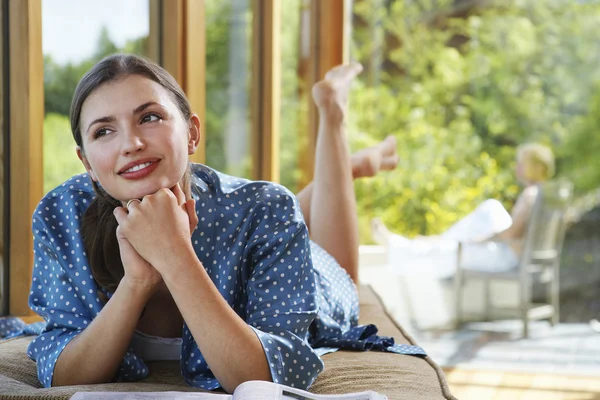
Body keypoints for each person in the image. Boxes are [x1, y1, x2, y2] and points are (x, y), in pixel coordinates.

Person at [26, 54, 423, 393]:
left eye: (149, 117)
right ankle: (355, 166)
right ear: (87, 164)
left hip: (285, 245)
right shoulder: (58, 217)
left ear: (192, 132)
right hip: (250, 213)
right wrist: (137, 282)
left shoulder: (266, 207)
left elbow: (262, 378)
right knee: (282, 207)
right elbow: (65, 373)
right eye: (104, 131)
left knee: (342, 269)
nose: (131, 144)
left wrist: (176, 255)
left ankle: (333, 114)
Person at [372, 143, 556, 277]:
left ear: (537, 167)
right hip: (514, 254)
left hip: (508, 257)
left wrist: (482, 239)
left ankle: (400, 243)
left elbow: (511, 235)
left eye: (522, 163)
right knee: (490, 207)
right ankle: (444, 239)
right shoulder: (545, 193)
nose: (517, 168)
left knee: (453, 249)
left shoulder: (530, 195)